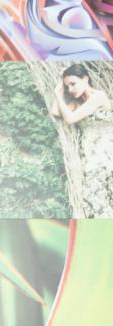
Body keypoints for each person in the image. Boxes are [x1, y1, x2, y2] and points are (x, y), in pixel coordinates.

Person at [50, 63, 113, 218]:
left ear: (85, 79)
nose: (71, 89)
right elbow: (55, 111)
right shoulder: (77, 103)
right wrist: (59, 89)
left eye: (73, 83)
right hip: (90, 158)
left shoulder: (99, 97)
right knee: (95, 202)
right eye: (68, 86)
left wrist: (59, 95)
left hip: (107, 155)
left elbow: (70, 119)